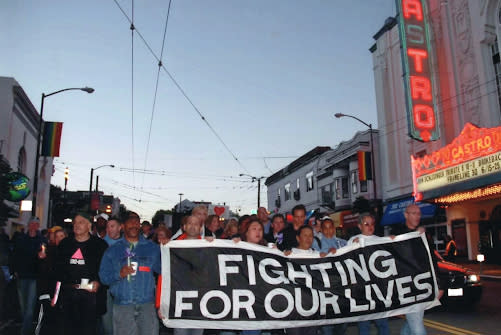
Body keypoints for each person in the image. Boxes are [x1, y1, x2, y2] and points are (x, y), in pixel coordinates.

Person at [99, 211, 161, 335]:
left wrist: (167, 248)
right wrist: (119, 274)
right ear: (123, 226)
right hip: (123, 306)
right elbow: (104, 277)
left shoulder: (152, 248)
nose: (134, 225)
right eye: (130, 221)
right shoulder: (113, 250)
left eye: (137, 222)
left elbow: (164, 271)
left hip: (147, 305)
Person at [391, 204, 444, 335]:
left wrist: (439, 284)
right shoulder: (397, 233)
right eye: (414, 213)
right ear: (406, 215)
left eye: (419, 214)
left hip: (421, 284)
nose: (417, 216)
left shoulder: (423, 235)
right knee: (416, 324)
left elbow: (431, 260)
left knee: (414, 321)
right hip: (406, 287)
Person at [54, 213, 108, 335]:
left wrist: (98, 281)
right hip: (68, 295)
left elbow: (106, 270)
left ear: (89, 225)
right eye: (75, 222)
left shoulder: (99, 245)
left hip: (90, 297)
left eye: (81, 222)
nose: (77, 225)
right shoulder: (65, 244)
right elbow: (56, 269)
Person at [347, 214, 389, 335]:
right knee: (364, 325)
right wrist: (352, 247)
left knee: (382, 323)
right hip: (362, 289)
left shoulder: (379, 240)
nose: (370, 227)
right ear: (360, 226)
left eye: (372, 224)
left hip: (379, 288)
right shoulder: (353, 240)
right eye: (366, 224)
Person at [11, 216, 47, 335]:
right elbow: (14, 255)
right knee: (22, 305)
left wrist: (42, 258)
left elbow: (44, 258)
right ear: (28, 225)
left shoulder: (42, 240)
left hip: (34, 276)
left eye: (35, 224)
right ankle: (25, 325)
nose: (33, 226)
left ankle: (25, 331)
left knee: (30, 305)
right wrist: (14, 270)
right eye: (31, 223)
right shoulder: (21, 239)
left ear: (38, 226)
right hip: (21, 275)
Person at [283, 225, 319, 335]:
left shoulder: (318, 255)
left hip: (313, 308)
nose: (308, 238)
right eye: (305, 235)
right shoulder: (289, 255)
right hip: (294, 309)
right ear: (298, 238)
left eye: (311, 236)